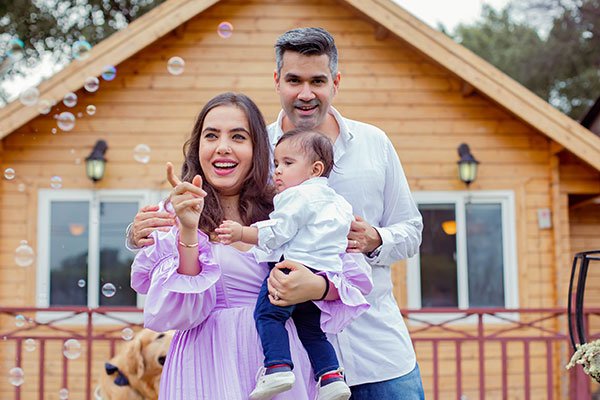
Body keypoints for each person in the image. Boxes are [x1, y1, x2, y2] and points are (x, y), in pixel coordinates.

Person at [128, 27, 424, 399]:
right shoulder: (253, 160)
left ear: (335, 81)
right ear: (276, 81)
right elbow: (181, 239)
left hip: (372, 349)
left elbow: (408, 232)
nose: (305, 92)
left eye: (317, 80)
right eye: (294, 80)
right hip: (246, 365)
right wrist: (140, 232)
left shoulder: (370, 147)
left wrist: (372, 240)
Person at [130, 92, 372, 399]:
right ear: (198, 146)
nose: (223, 147)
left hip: (281, 368)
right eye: (211, 136)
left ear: (257, 148)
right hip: (205, 365)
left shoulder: (292, 207)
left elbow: (354, 280)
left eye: (238, 136)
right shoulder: (174, 213)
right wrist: (188, 231)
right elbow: (179, 313)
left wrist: (316, 287)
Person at [217, 128, 354, 400]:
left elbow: (279, 230)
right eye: (276, 163)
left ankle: (277, 367)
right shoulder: (339, 203)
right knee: (312, 331)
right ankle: (331, 378)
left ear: (316, 169)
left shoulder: (296, 196)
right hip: (319, 275)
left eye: (288, 164)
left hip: (290, 270)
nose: (277, 171)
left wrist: (242, 233)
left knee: (268, 316)